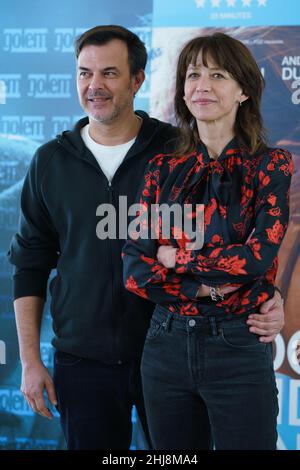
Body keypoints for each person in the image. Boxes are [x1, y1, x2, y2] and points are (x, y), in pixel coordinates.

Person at [8, 26, 284, 451]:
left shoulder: (180, 149)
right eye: (84, 73)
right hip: (86, 360)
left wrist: (266, 293)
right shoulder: (52, 161)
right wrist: (29, 360)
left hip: (168, 345)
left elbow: (252, 252)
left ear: (138, 80)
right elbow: (35, 264)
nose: (94, 85)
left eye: (109, 74)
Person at [123, 32, 293, 450]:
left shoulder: (271, 165)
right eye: (193, 74)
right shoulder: (160, 170)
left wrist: (174, 257)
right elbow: (134, 267)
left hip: (238, 343)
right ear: (181, 90)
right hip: (164, 345)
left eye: (217, 75)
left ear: (243, 91)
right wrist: (201, 284)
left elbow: (255, 259)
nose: (202, 85)